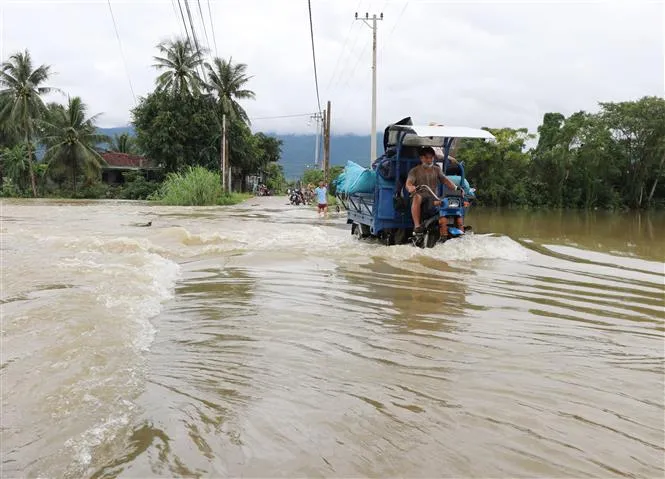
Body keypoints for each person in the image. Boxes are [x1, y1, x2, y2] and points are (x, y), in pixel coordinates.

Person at [405, 146, 463, 233]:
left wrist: (457, 188)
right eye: (427, 158)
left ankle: (456, 224)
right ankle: (417, 226)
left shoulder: (437, 169)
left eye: (431, 158)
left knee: (451, 201)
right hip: (420, 195)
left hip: (434, 196)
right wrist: (411, 187)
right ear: (421, 158)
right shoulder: (414, 171)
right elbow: (408, 183)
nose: (429, 160)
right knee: (417, 197)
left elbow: (446, 181)